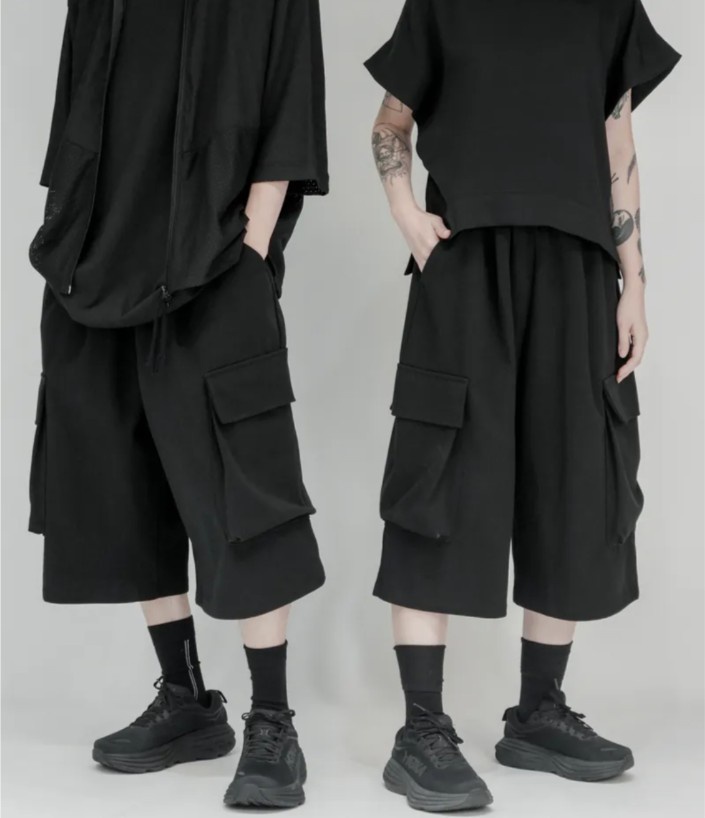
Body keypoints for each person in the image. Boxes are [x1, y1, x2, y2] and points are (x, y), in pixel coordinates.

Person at [365, 0, 680, 811]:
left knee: (575, 479)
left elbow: (617, 145)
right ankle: (421, 730)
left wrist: (634, 282)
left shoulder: (606, 8)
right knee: (438, 479)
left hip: (579, 268)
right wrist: (406, 214)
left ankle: (537, 713)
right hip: (465, 260)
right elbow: (391, 120)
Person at [28, 0, 328, 808]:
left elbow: (291, 103)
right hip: (95, 267)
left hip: (216, 262)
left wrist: (251, 249)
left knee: (247, 492)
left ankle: (273, 720)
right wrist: (65, 233)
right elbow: (74, 101)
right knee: (126, 489)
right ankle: (186, 698)